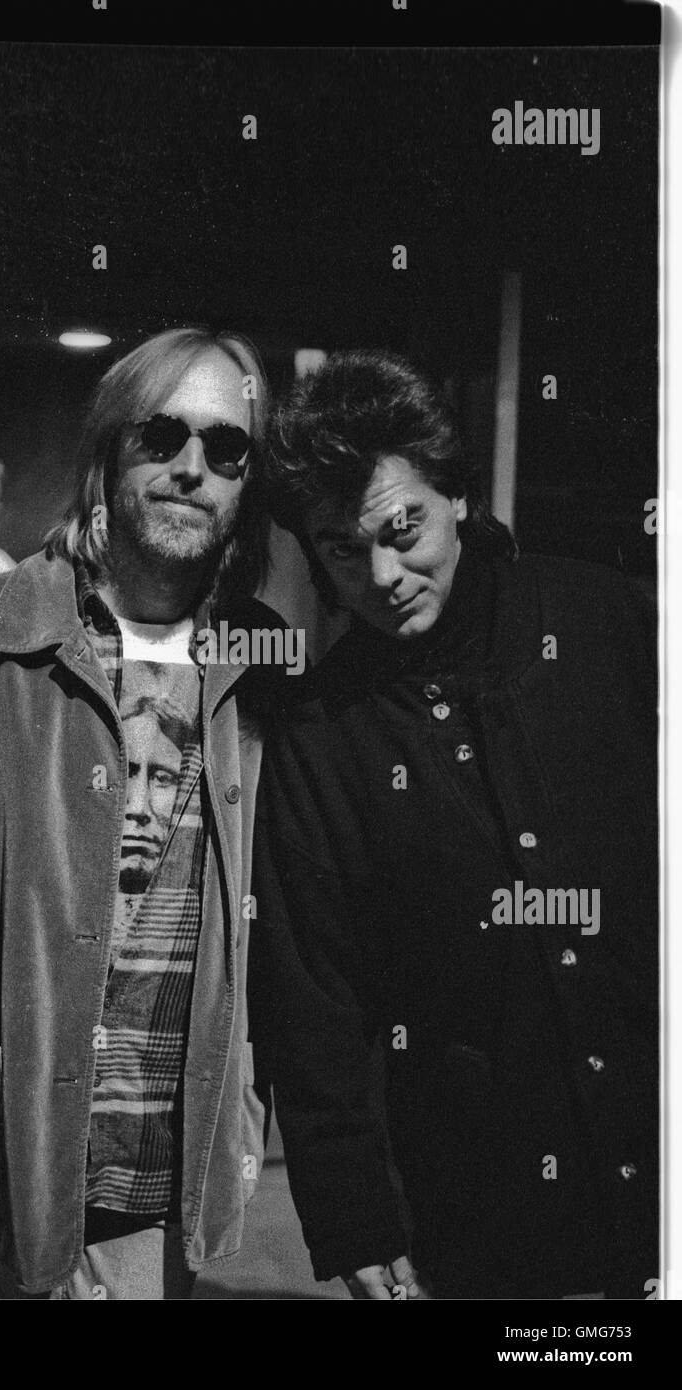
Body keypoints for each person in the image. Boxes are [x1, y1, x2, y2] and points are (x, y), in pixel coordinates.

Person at [0, 326, 283, 1300]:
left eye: (225, 449)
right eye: (159, 436)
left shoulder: (262, 669)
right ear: (106, 455)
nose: (190, 468)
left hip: (161, 1163)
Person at [251, 349, 658, 1301]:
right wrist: (352, 1214)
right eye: (344, 552)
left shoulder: (602, 620)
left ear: (457, 497)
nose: (383, 575)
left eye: (404, 528)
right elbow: (313, 998)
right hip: (480, 1197)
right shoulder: (320, 731)